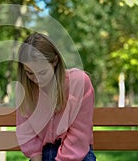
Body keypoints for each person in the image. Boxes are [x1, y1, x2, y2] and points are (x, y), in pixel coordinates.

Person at [15, 33, 96, 161]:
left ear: (55, 61)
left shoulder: (79, 82)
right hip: (42, 154)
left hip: (77, 154)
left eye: (42, 72)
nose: (37, 80)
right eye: (30, 73)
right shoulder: (25, 88)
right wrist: (35, 156)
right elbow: (26, 130)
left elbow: (79, 134)